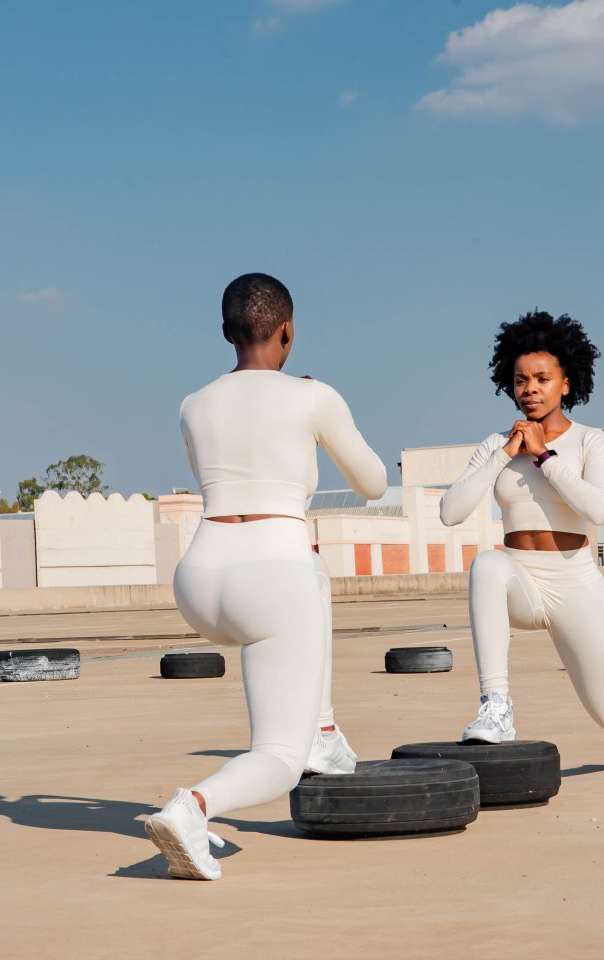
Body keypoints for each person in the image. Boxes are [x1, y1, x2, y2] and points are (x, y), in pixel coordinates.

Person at [145, 273, 387, 880]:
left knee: (317, 570)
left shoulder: (192, 404)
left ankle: (326, 730)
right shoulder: (313, 396)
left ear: (226, 333)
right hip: (272, 580)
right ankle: (193, 808)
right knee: (279, 758)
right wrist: (321, 413)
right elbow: (374, 482)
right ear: (289, 331)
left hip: (200, 578)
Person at [439, 310, 604, 774]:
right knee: (487, 565)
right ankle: (496, 705)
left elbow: (597, 509)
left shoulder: (592, 443)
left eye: (542, 379)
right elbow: (450, 513)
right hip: (521, 581)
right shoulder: (496, 444)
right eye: (521, 379)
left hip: (576, 585)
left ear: (566, 384)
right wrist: (507, 453)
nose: (530, 388)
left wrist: (543, 456)